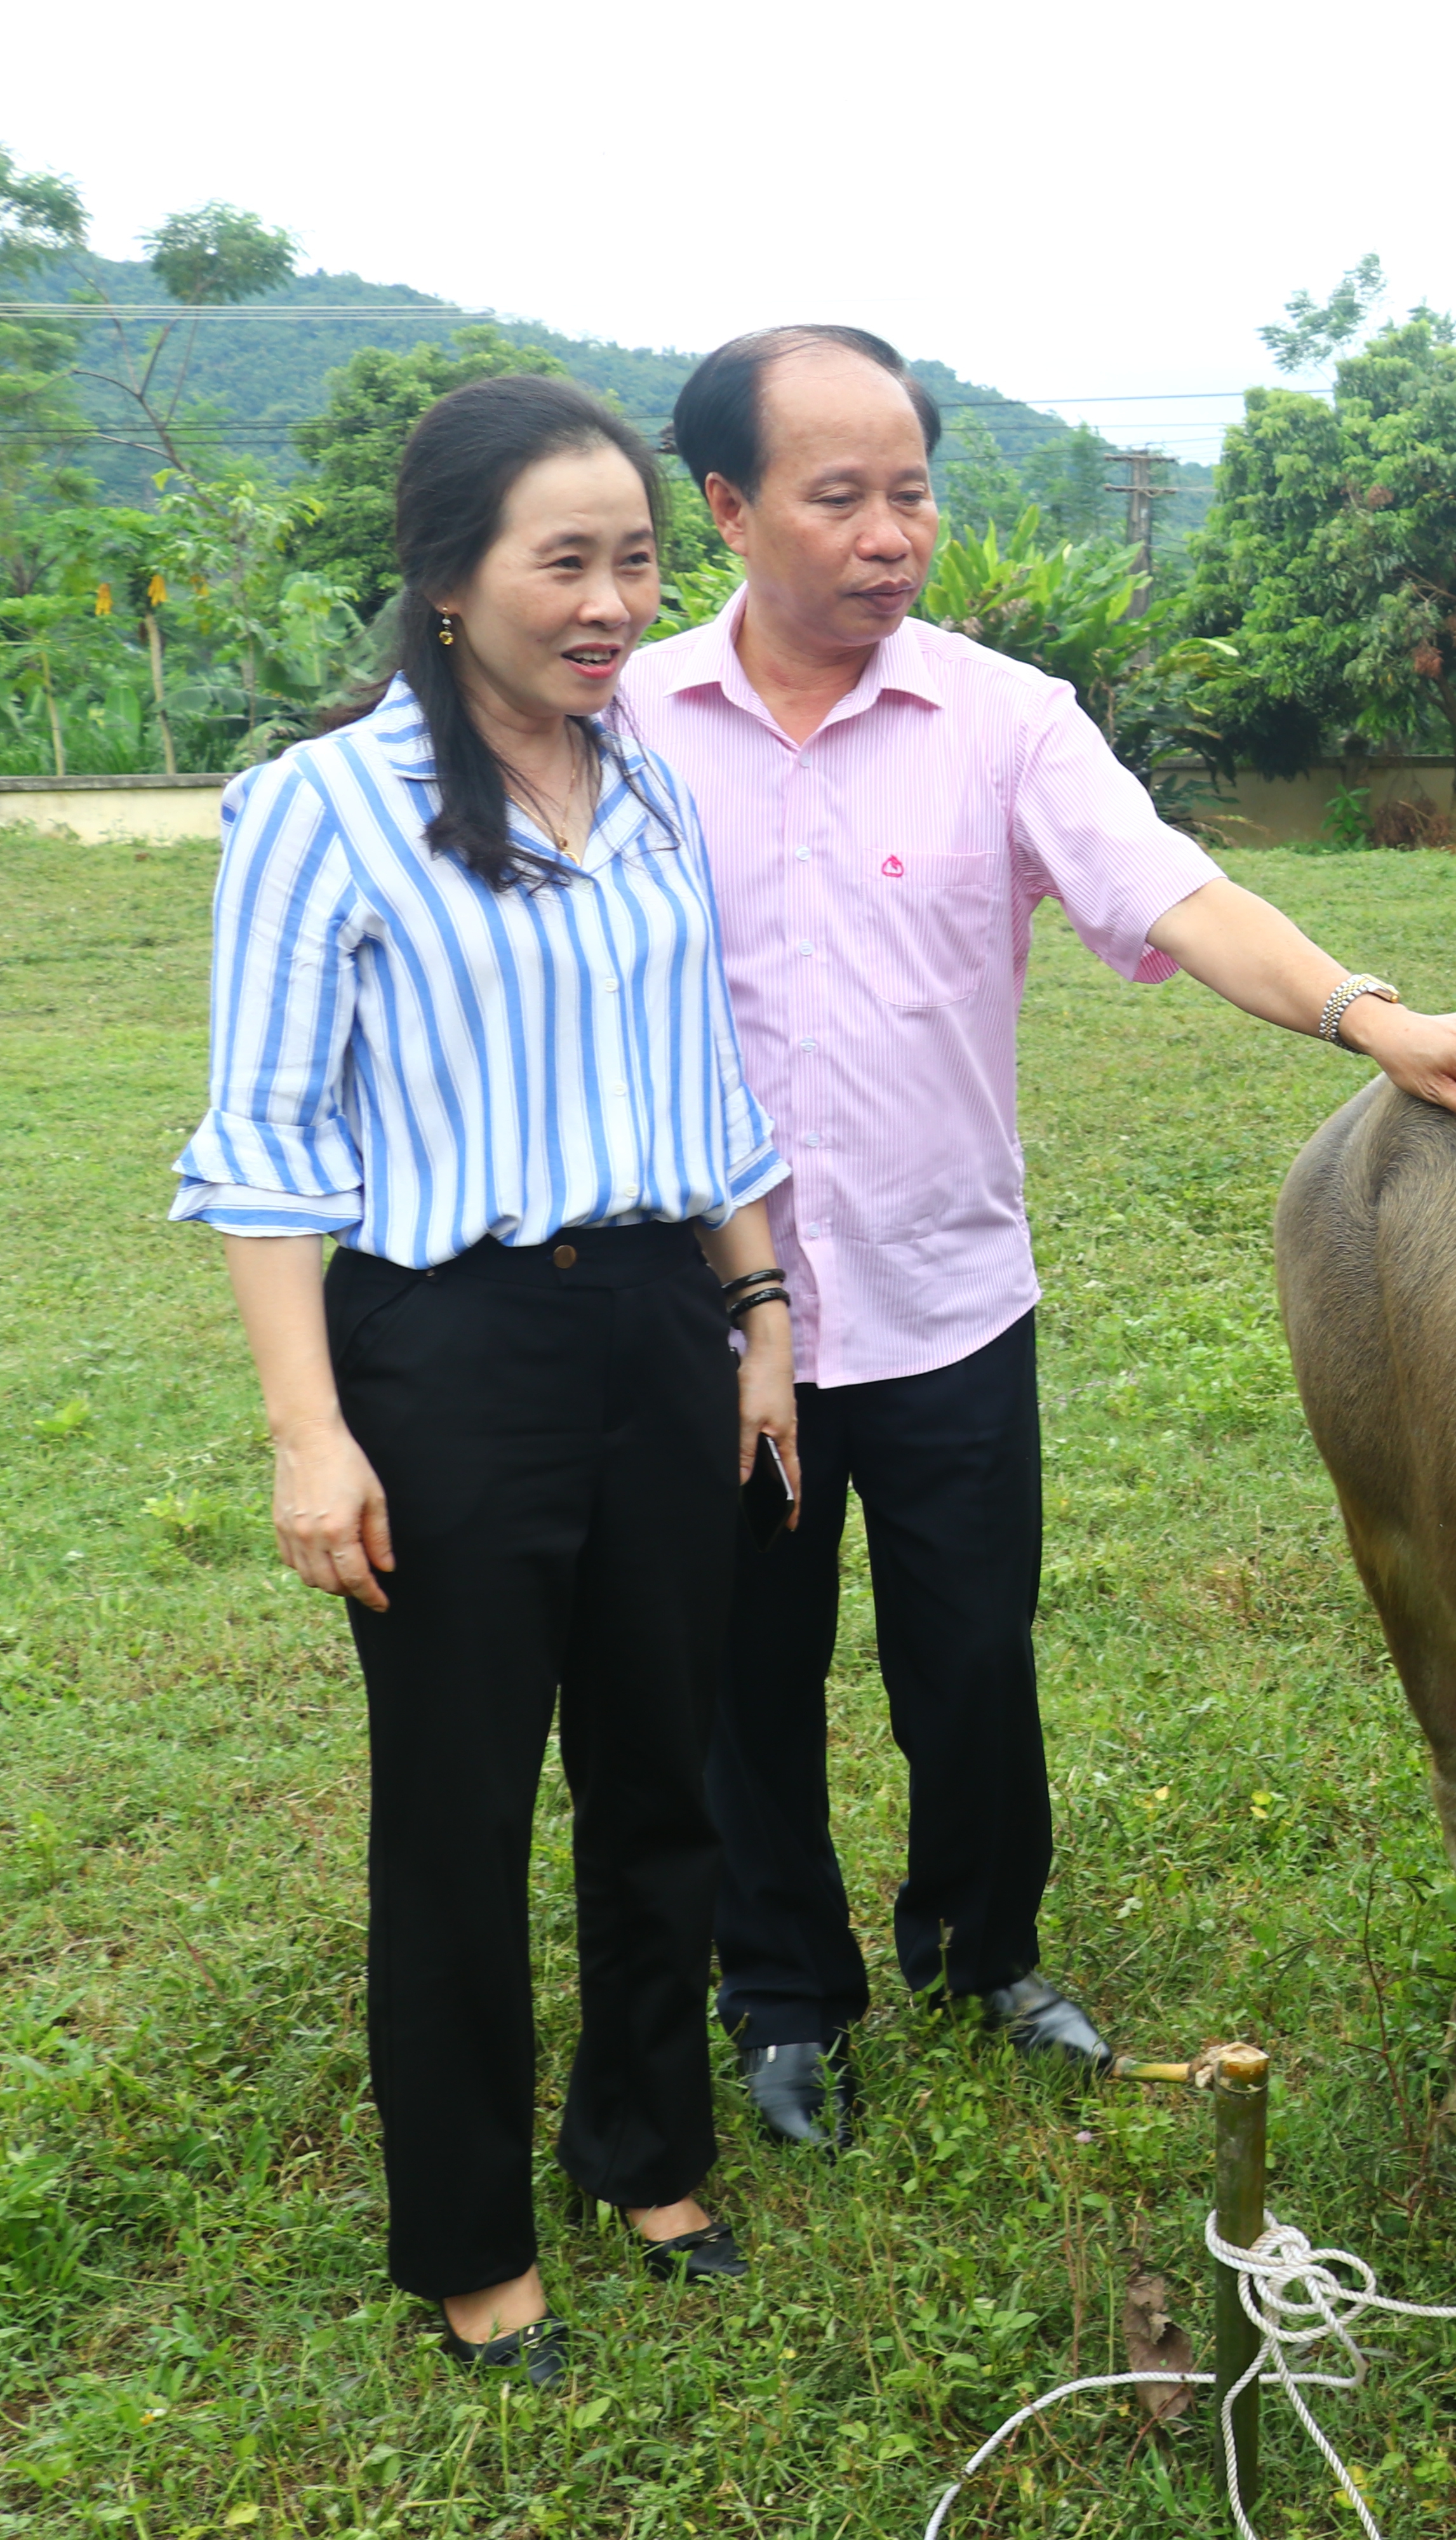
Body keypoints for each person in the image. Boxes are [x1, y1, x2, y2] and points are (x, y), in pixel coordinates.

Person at [620, 325, 1456, 2149]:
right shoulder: (627, 724)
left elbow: (1177, 894)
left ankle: (985, 1952)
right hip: (703, 1314)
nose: (889, 533)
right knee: (741, 1674)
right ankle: (783, 1992)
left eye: (911, 490)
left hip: (943, 1299)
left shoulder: (1002, 715)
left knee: (971, 1657)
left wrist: (1371, 1015)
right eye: (838, 498)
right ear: (731, 508)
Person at [177, 375, 803, 2382]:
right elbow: (266, 1147)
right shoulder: (318, 809)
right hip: (445, 1353)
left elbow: (699, 1081)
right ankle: (469, 2246)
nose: (615, 601)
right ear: (450, 582)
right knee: (456, 1818)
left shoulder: (656, 789)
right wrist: (310, 1433)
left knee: (658, 1773)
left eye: (637, 558)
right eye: (569, 561)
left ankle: (648, 2147)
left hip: (653, 1328)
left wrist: (761, 1312)